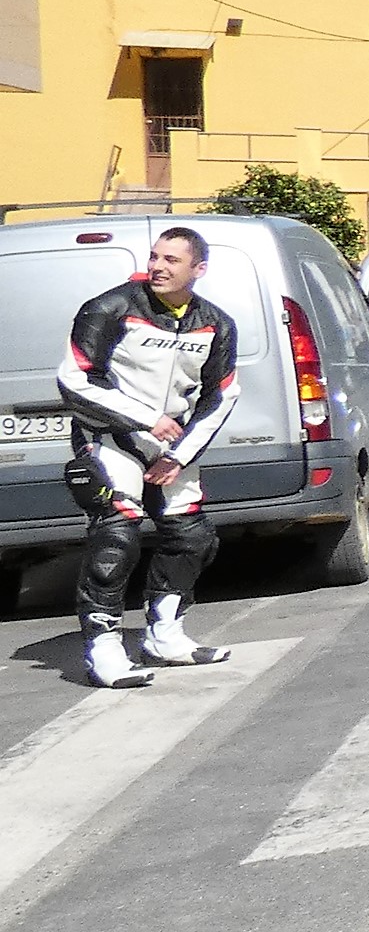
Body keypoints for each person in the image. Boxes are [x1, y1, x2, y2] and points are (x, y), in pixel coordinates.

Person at [56, 228, 240, 688]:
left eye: (171, 260)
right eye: (155, 257)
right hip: (109, 439)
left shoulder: (216, 323)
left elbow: (221, 396)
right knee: (117, 535)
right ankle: (103, 649)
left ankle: (165, 636)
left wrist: (178, 455)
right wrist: (145, 419)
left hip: (170, 448)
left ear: (198, 269)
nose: (158, 266)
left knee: (192, 536)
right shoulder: (109, 308)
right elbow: (75, 379)